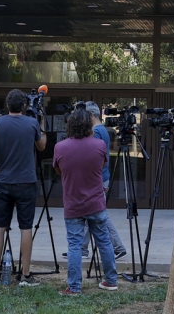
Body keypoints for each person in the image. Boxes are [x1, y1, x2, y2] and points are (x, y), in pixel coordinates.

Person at [0, 89, 47, 286]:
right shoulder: (31, 123)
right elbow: (42, 146)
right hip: (26, 182)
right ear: (25, 106)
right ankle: (25, 275)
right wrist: (42, 122)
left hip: (4, 181)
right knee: (25, 228)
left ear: (7, 105)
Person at [54, 108, 119, 295]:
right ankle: (111, 280)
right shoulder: (99, 145)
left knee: (74, 245)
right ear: (89, 124)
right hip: (96, 202)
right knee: (104, 241)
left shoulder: (61, 147)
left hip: (73, 203)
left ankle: (74, 287)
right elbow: (102, 166)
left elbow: (59, 171)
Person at [84, 102, 128, 259]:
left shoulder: (95, 132)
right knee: (90, 213)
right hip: (102, 177)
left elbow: (93, 158)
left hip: (98, 178)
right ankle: (82, 248)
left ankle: (118, 246)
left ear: (91, 115)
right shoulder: (102, 130)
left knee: (99, 214)